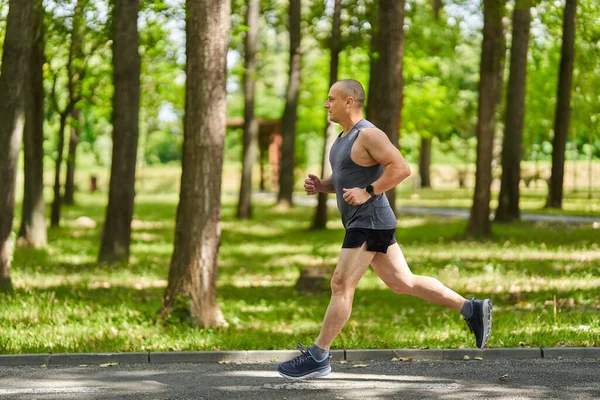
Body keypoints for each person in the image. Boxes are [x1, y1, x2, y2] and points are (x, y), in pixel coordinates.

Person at [277, 79, 493, 380]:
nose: (327, 105)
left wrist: (369, 191)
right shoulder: (342, 139)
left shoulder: (369, 134)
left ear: (349, 101)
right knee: (403, 282)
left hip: (369, 221)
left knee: (340, 284)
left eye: (331, 99)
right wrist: (322, 186)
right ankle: (471, 309)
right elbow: (347, 179)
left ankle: (318, 356)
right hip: (364, 221)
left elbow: (401, 168)